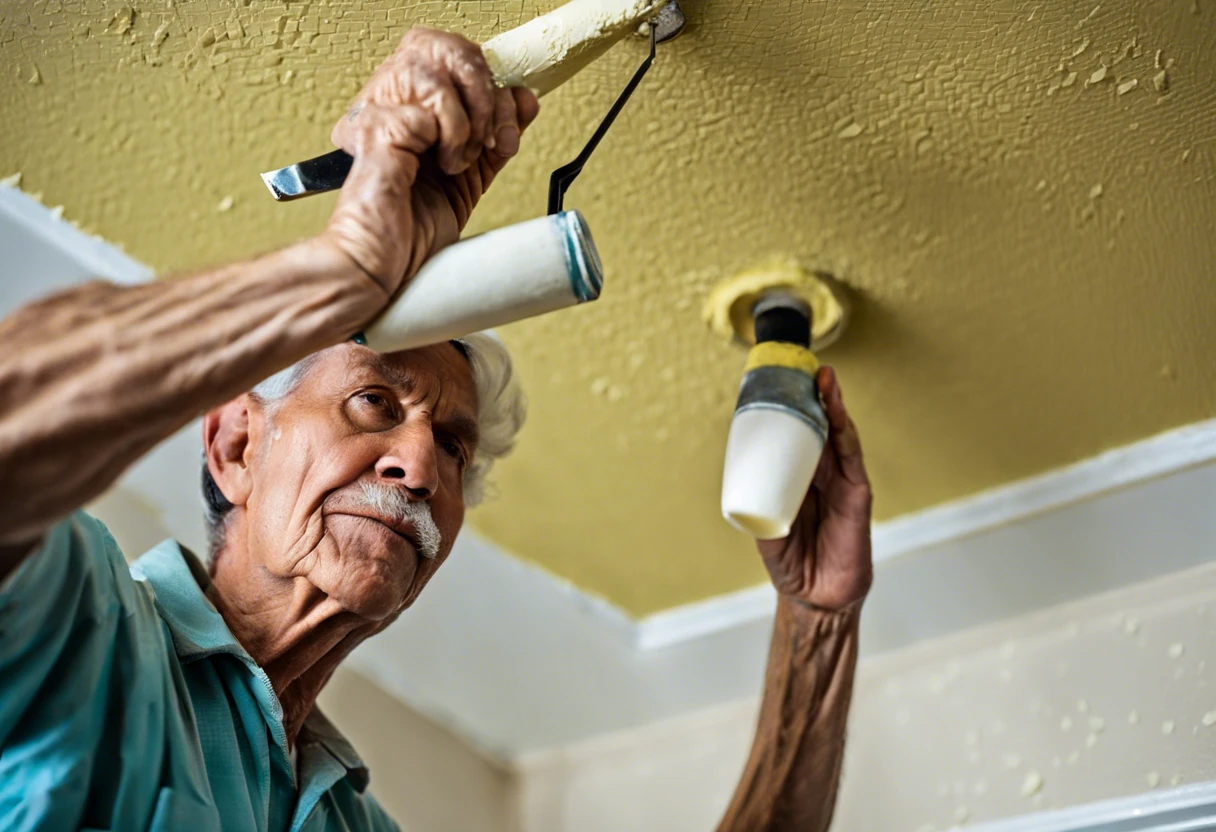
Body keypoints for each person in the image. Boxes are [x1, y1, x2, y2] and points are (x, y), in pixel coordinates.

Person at [0, 26, 873, 832]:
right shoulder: (88, 628)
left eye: (454, 445)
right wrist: (342, 271)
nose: (422, 465)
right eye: (373, 403)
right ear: (236, 446)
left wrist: (815, 622)